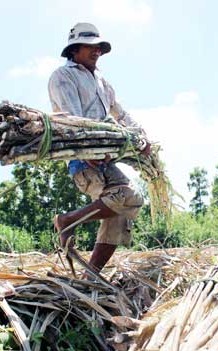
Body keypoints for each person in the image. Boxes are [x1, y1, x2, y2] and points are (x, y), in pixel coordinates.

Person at [48, 22, 150, 274]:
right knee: (129, 196)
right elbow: (71, 119)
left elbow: (121, 113)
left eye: (99, 48)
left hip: (106, 157)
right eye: (90, 46)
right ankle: (67, 220)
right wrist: (87, 150)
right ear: (74, 50)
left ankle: (91, 275)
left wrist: (141, 136)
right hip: (84, 160)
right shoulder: (63, 77)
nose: (97, 51)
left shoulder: (102, 82)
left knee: (121, 213)